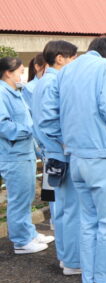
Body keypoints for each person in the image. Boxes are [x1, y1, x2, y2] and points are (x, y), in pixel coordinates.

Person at [56, 37, 106, 283]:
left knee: (88, 220)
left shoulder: (67, 70)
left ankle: (89, 279)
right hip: (99, 153)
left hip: (75, 155)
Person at [33, 40, 82, 275]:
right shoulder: (55, 81)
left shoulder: (45, 81)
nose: (74, 62)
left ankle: (66, 257)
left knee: (60, 208)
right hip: (60, 153)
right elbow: (50, 121)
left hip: (52, 153)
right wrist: (70, 142)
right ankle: (73, 261)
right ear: (60, 58)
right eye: (72, 58)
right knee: (70, 208)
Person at [0, 56, 55, 255]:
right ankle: (21, 241)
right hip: (13, 155)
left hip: (23, 152)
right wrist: (29, 129)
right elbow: (3, 125)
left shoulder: (15, 92)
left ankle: (28, 232)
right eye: (20, 71)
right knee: (19, 198)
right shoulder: (2, 92)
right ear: (8, 72)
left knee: (26, 196)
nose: (23, 75)